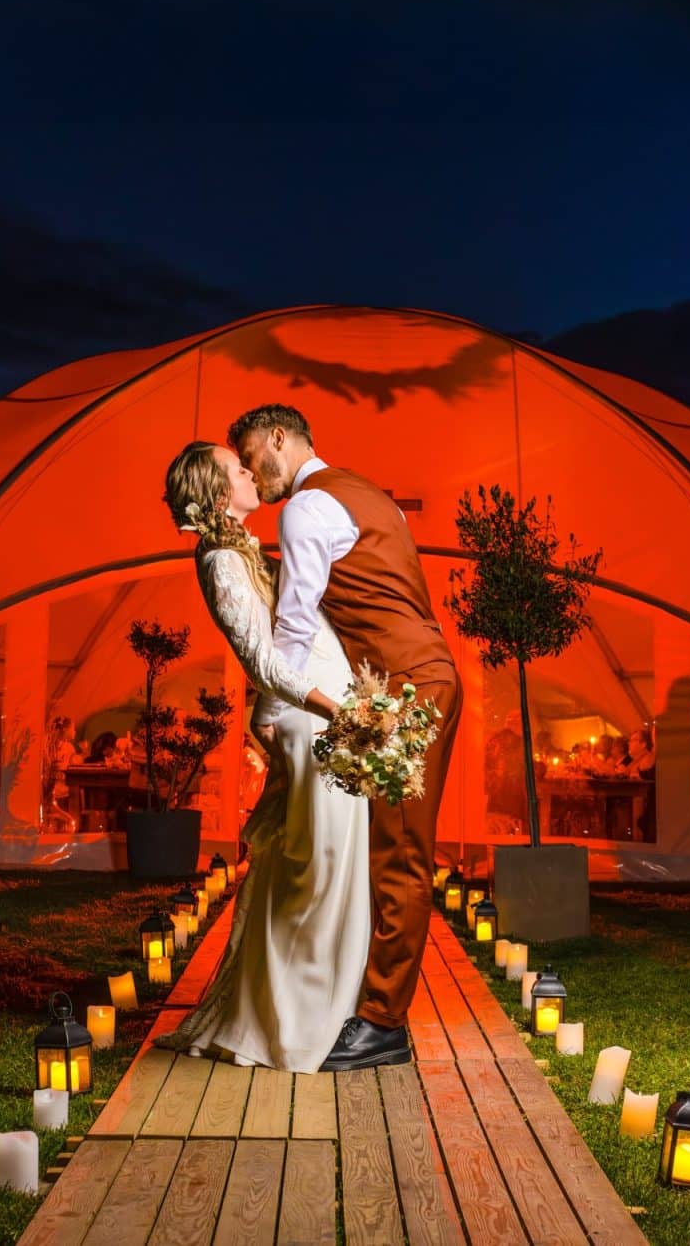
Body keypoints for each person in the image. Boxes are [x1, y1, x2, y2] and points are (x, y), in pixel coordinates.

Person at [233, 402, 464, 1072]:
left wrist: (270, 711)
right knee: (384, 846)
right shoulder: (367, 494)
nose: (253, 470)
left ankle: (384, 1025)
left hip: (408, 690)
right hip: (412, 680)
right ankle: (361, 1002)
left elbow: (297, 622)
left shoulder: (305, 507)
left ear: (281, 436)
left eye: (253, 454)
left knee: (400, 853)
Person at [151, 440, 356, 1072]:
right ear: (218, 494)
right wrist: (336, 708)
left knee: (317, 867)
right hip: (307, 719)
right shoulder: (218, 561)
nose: (250, 470)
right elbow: (261, 662)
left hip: (311, 714)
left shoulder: (237, 548)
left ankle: (314, 1011)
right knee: (314, 872)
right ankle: (296, 1025)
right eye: (238, 469)